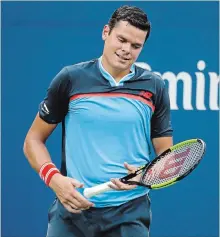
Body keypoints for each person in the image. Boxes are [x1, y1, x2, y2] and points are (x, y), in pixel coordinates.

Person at [23, 5, 173, 237]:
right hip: (72, 210)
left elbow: (167, 156)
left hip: (129, 212)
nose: (126, 50)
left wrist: (145, 176)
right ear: (106, 32)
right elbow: (33, 140)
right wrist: (54, 180)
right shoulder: (71, 78)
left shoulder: (154, 86)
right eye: (121, 39)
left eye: (136, 46)